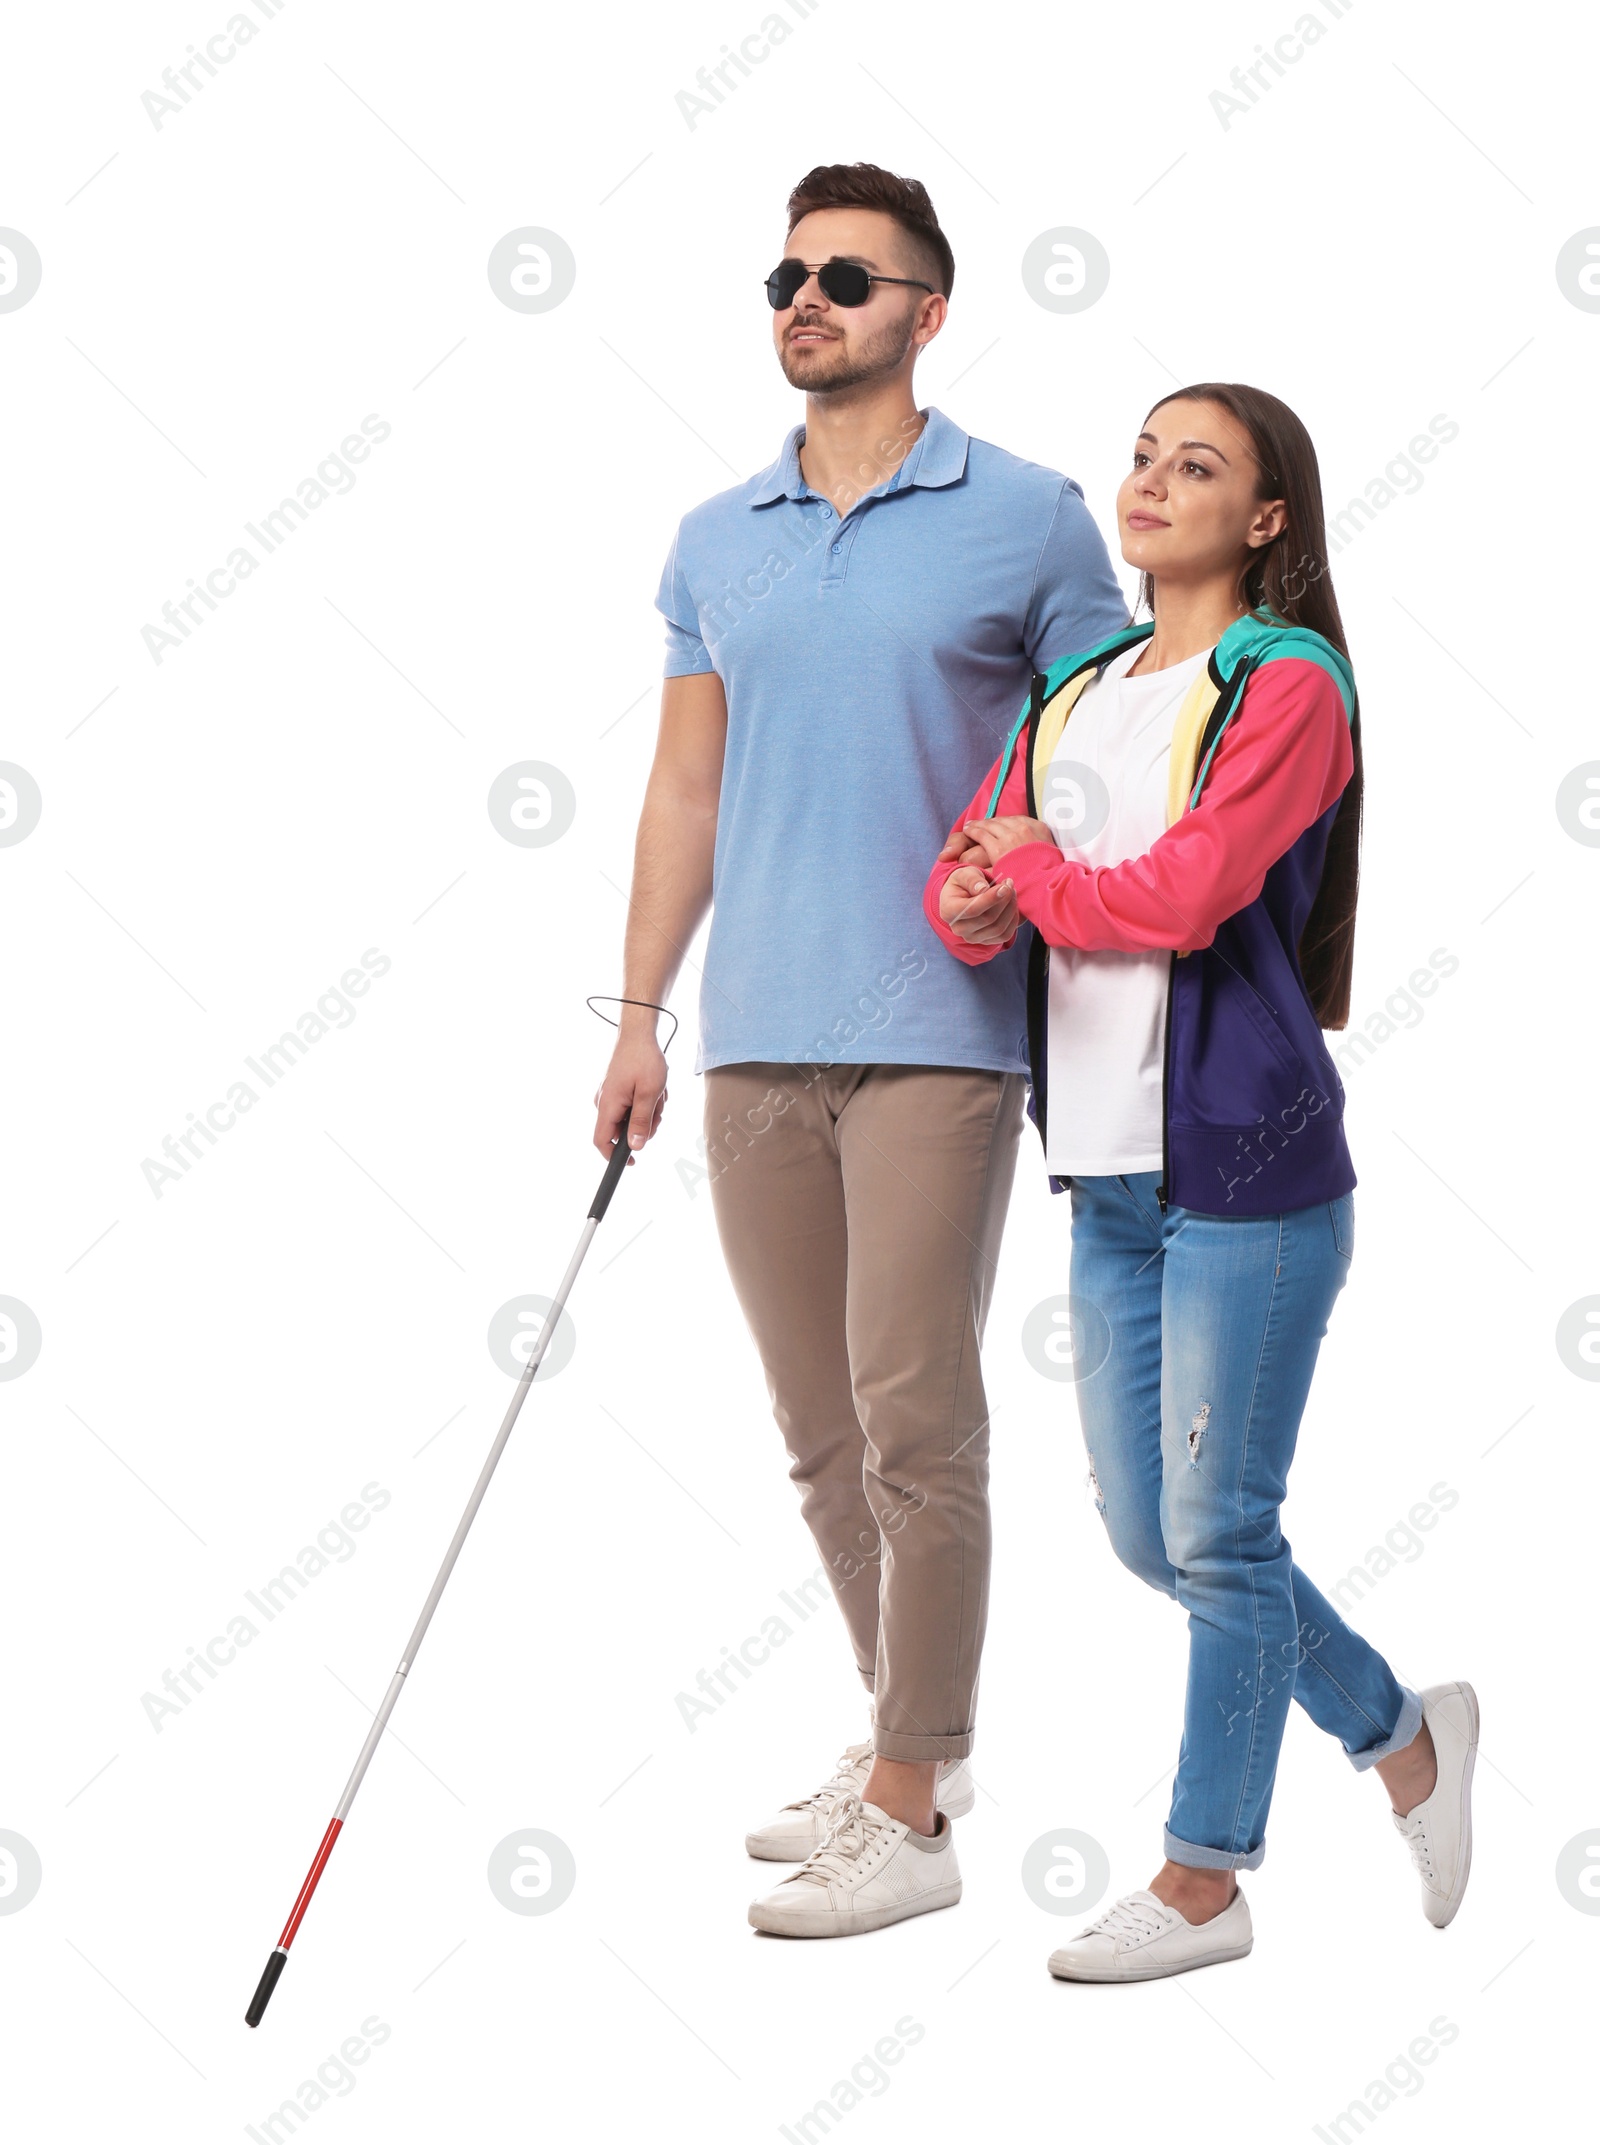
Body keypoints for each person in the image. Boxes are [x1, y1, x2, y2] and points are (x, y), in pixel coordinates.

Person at [592, 161, 1128, 1938]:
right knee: (820, 1431)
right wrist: (640, 1014)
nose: (804, 298)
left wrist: (1037, 880)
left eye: (846, 274)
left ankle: (909, 1804)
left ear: (928, 307)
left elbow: (1107, 756)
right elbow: (686, 786)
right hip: (755, 1043)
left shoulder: (1035, 518)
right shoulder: (713, 534)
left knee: (919, 1419)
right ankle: (917, 1739)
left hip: (942, 1039)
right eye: (786, 274)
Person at [924, 382, 1477, 1981]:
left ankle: (1202, 1878)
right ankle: (1401, 1730)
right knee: (1156, 1539)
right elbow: (967, 883)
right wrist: (983, 887)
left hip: (1251, 1175)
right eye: (1146, 455)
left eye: (1200, 465)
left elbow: (1186, 892)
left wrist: (1025, 867)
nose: (1154, 482)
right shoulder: (1083, 680)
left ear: (1268, 520)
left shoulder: (1288, 684)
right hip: (1103, 1174)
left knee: (1221, 1533)